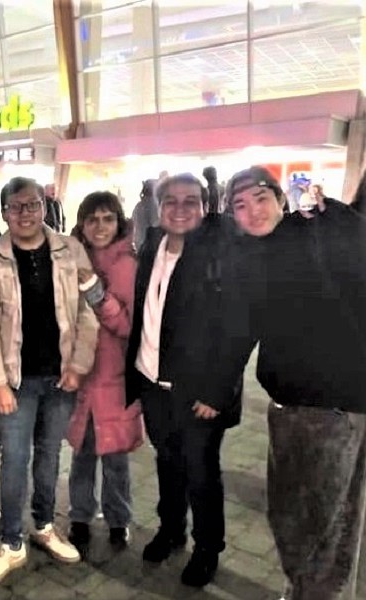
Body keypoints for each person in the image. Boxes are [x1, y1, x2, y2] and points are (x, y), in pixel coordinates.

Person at [214, 166, 366, 600]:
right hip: (290, 407)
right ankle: (306, 590)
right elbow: (241, 330)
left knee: (324, 524)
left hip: (333, 407)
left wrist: (330, 211)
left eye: (261, 198)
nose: (253, 211)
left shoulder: (316, 231)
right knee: (298, 517)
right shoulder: (254, 256)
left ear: (281, 199)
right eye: (240, 206)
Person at [0, 177, 99, 586]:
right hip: (16, 380)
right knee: (14, 459)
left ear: (45, 207)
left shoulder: (70, 250)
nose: (24, 213)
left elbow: (87, 313)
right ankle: (11, 542)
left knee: (49, 455)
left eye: (31, 205)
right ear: (4, 212)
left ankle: (44, 525)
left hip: (60, 377)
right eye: (15, 207)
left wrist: (78, 365)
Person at [125, 173, 242, 588]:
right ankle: (171, 529)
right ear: (158, 207)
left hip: (199, 393)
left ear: (205, 206)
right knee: (167, 462)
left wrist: (218, 392)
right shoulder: (152, 243)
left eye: (190, 200)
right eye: (170, 201)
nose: (179, 208)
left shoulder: (219, 251)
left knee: (202, 473)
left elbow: (237, 330)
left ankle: (207, 548)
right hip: (152, 382)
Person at [66, 191, 142, 554]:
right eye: (92, 219)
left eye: (107, 219)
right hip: (79, 375)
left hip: (115, 380)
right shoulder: (70, 259)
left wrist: (98, 295)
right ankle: (79, 516)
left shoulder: (127, 265)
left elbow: (130, 327)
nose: (99, 227)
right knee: (81, 456)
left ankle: (118, 520)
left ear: (119, 223)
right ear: (81, 224)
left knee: (115, 458)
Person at [131, 179, 159, 252]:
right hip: (151, 247)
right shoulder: (154, 205)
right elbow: (156, 224)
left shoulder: (138, 206)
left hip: (139, 244)